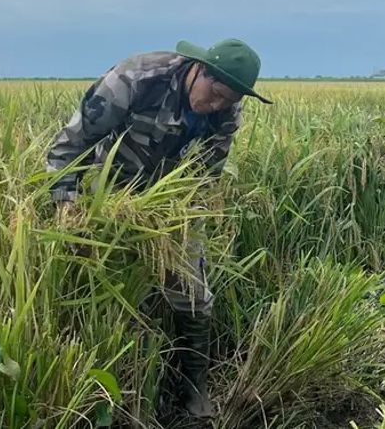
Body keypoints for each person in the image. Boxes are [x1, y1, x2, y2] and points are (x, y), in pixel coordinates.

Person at [46, 38, 272, 418]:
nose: (215, 105)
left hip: (170, 203)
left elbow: (204, 178)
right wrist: (69, 207)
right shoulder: (136, 80)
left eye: (228, 100)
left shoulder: (226, 112)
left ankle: (193, 386)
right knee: (98, 282)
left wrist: (180, 221)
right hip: (110, 190)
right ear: (199, 70)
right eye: (214, 92)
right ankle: (95, 383)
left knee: (192, 291)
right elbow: (70, 146)